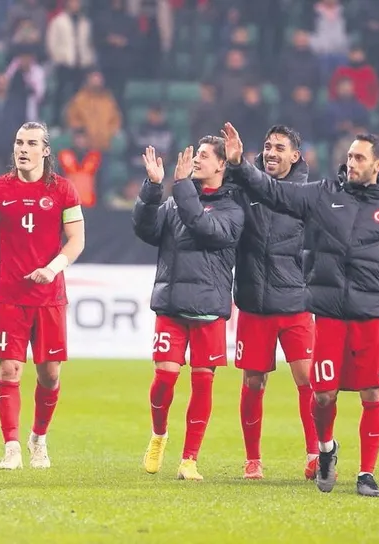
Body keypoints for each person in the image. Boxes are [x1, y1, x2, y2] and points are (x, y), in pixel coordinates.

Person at [222, 122, 379, 496]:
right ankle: (325, 449)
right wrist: (238, 165)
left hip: (373, 315)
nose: (351, 163)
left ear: (378, 165)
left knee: (373, 395)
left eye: (359, 158)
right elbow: (273, 192)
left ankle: (366, 474)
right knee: (322, 395)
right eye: (349, 156)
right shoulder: (323, 194)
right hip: (330, 314)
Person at [0, 121, 86, 470]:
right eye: (19, 142)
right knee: (9, 370)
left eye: (32, 143)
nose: (23, 148)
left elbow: (77, 240)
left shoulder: (63, 190)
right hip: (10, 296)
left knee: (49, 374)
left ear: (45, 151)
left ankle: (38, 438)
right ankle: (11, 448)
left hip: (49, 298)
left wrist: (52, 269)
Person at [134, 138, 244, 481]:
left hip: (209, 308)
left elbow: (204, 228)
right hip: (172, 305)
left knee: (202, 384)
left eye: (204, 155)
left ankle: (189, 459)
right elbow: (145, 229)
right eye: (195, 154)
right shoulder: (172, 203)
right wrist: (153, 188)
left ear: (221, 165)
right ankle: (158, 435)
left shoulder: (232, 210)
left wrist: (180, 187)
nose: (196, 159)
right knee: (164, 378)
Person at [232, 125, 319, 481]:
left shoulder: (307, 196)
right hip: (254, 302)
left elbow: (319, 245)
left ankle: (315, 454)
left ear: (295, 156)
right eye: (267, 146)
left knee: (307, 379)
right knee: (254, 382)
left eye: (280, 148)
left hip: (295, 302)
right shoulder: (244, 187)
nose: (271, 152)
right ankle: (253, 459)